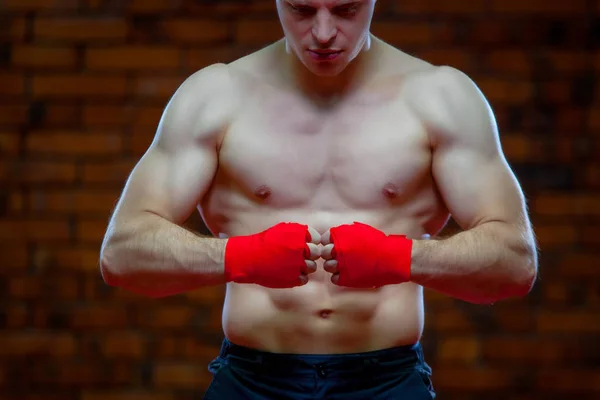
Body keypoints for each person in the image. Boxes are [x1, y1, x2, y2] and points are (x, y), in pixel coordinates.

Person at [99, 0, 539, 398]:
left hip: (387, 381)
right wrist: (241, 255)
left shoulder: (440, 97)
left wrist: (399, 257)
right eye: (302, 9)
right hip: (251, 380)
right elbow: (122, 254)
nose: (324, 33)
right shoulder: (216, 96)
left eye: (345, 10)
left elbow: (515, 262)